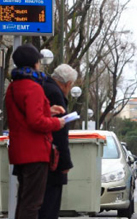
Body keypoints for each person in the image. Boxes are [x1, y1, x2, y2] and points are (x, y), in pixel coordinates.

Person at [5, 43, 66, 219]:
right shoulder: (33, 87)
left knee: (24, 200)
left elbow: (22, 116)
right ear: (35, 63)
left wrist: (49, 110)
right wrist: (57, 123)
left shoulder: (13, 87)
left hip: (19, 151)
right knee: (33, 203)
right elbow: (36, 122)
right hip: (35, 153)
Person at [38, 64, 78, 219]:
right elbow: (60, 133)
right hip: (51, 157)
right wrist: (65, 162)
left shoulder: (43, 86)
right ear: (68, 84)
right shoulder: (55, 93)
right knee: (50, 204)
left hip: (40, 154)